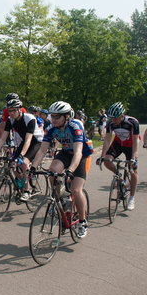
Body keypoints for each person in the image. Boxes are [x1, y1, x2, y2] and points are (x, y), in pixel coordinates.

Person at [31, 101, 93, 238]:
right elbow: (42, 150)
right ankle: (58, 200)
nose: (53, 119)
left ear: (67, 117)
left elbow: (78, 153)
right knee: (52, 171)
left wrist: (70, 170)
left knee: (76, 189)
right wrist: (33, 167)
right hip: (65, 153)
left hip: (81, 155)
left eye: (57, 117)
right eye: (52, 116)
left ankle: (83, 221)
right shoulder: (51, 128)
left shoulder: (75, 126)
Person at [0, 99, 43, 201]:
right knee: (11, 163)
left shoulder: (30, 118)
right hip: (24, 142)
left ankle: (27, 190)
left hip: (36, 142)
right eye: (9, 111)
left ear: (20, 109)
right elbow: (2, 138)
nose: (11, 113)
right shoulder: (11, 120)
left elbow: (29, 140)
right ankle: (21, 181)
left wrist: (22, 155)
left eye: (14, 110)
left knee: (24, 162)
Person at [97, 102, 139, 210]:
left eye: (115, 118)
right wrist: (102, 156)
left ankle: (132, 198)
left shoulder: (132, 122)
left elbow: (135, 142)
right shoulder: (110, 123)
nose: (113, 121)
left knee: (133, 171)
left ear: (122, 115)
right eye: (111, 118)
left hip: (130, 146)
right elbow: (107, 140)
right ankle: (120, 178)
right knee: (107, 160)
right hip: (118, 144)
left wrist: (133, 158)